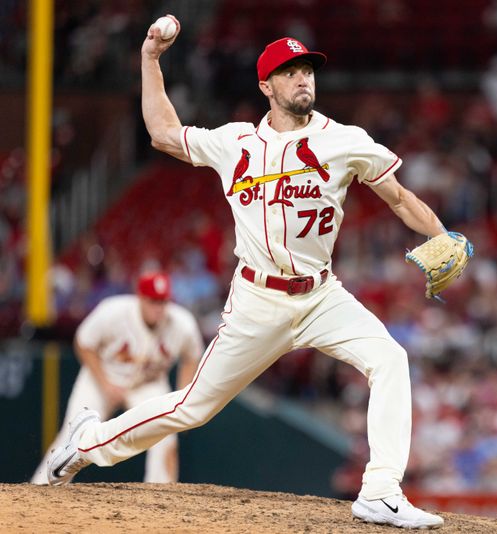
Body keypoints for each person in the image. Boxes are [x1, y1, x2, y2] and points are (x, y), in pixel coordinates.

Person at [46, 15, 463, 530]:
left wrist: (440, 233)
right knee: (193, 408)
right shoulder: (236, 143)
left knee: (390, 360)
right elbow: (163, 134)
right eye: (289, 72)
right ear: (266, 86)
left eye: (307, 69)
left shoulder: (346, 140)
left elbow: (398, 197)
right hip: (258, 300)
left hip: (321, 296)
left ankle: (380, 490)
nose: (303, 78)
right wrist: (150, 59)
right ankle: (87, 441)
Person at [32, 271, 202, 484]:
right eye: (152, 301)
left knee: (165, 435)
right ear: (140, 297)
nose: (158, 308)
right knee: (72, 435)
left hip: (146, 384)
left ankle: (161, 501)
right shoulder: (113, 311)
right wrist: (105, 384)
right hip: (101, 378)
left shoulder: (182, 323)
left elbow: (191, 356)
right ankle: (40, 489)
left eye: (162, 301)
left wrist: (182, 394)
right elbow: (83, 343)